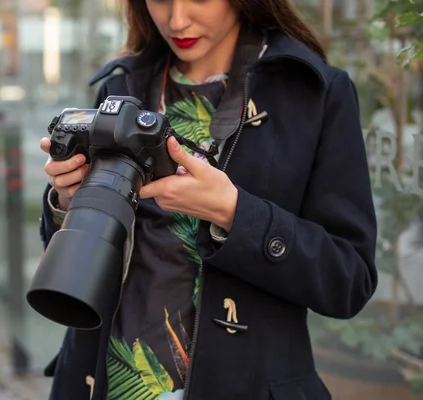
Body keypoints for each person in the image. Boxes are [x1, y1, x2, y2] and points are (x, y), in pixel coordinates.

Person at [38, 0, 378, 398]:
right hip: (102, 383)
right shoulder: (122, 84)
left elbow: (348, 280)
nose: (177, 19)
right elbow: (78, 263)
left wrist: (233, 213)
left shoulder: (313, 92)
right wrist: (65, 202)